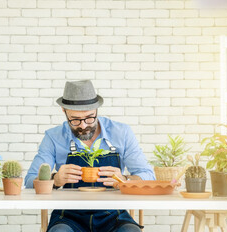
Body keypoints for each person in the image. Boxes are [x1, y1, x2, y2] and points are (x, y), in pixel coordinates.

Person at [25, 80, 155, 232]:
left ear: (97, 109)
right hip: (68, 216)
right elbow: (29, 181)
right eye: (75, 119)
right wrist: (54, 180)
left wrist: (125, 180)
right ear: (63, 110)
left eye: (89, 117)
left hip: (114, 216)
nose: (83, 125)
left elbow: (148, 176)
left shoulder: (122, 132)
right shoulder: (53, 137)